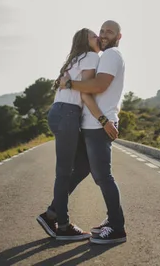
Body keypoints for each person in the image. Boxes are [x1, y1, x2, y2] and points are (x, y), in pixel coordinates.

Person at [36, 27, 110, 241]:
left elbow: (78, 88)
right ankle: (63, 226)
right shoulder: (90, 56)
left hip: (61, 113)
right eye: (94, 36)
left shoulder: (76, 59)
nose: (98, 38)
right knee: (64, 171)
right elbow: (86, 91)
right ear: (86, 42)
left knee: (84, 163)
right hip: (68, 113)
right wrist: (103, 120)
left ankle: (52, 213)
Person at [59, 19, 127, 245]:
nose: (104, 34)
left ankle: (117, 228)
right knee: (82, 171)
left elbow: (98, 86)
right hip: (91, 125)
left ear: (119, 36)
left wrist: (69, 85)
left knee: (102, 177)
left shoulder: (111, 55)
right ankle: (54, 212)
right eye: (102, 31)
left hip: (98, 126)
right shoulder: (104, 57)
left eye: (109, 31)